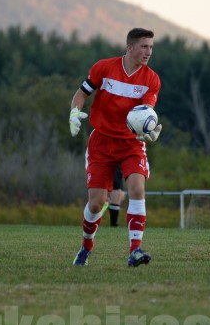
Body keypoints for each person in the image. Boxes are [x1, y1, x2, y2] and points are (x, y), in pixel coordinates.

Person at [69, 27, 162, 267]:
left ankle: (135, 250)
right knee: (96, 203)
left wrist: (148, 130)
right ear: (129, 47)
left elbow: (146, 112)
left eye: (151, 47)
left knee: (137, 189)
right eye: (144, 46)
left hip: (131, 143)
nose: (149, 52)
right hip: (101, 142)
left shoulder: (151, 79)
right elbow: (81, 94)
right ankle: (86, 247)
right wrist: (74, 113)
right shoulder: (104, 68)